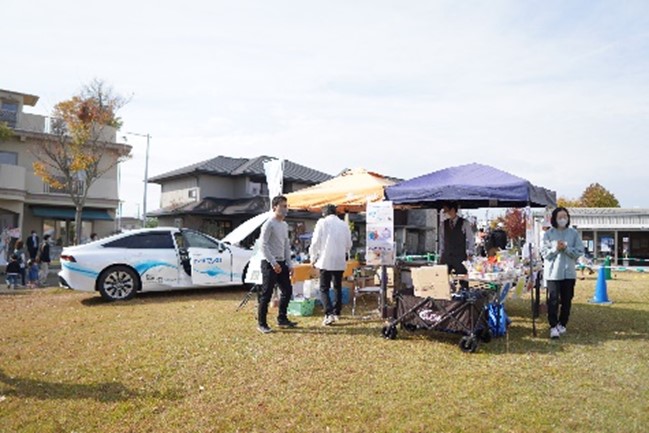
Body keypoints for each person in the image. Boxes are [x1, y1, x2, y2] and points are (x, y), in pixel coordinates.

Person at [256, 195, 297, 334]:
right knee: (266, 294)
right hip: (269, 262)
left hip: (281, 261)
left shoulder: (284, 225)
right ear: (275, 207)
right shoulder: (269, 223)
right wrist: (273, 262)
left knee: (287, 290)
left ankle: (282, 318)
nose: (286, 209)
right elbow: (263, 244)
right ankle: (262, 323)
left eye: (287, 206)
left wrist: (290, 264)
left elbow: (286, 245)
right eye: (283, 206)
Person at [541, 207, 584, 339]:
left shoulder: (573, 233)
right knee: (553, 300)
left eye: (565, 216)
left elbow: (579, 251)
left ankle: (562, 323)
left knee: (567, 300)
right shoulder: (548, 234)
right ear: (554, 218)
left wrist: (566, 249)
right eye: (560, 217)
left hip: (569, 273)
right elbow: (545, 254)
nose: (562, 219)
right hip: (553, 273)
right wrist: (555, 249)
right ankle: (553, 326)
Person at [309, 204, 353, 326]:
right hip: (339, 259)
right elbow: (349, 244)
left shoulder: (322, 223)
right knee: (337, 286)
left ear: (324, 213)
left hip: (325, 259)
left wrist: (312, 257)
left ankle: (329, 313)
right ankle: (337, 311)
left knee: (324, 288)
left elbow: (315, 242)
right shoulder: (344, 224)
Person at [439, 201, 475, 290]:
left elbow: (471, 238)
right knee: (442, 279)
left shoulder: (464, 223)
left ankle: (465, 298)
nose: (445, 213)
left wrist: (470, 252)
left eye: (446, 211)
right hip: (447, 255)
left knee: (463, 280)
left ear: (453, 210)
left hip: (460, 256)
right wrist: (441, 254)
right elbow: (442, 240)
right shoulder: (443, 224)